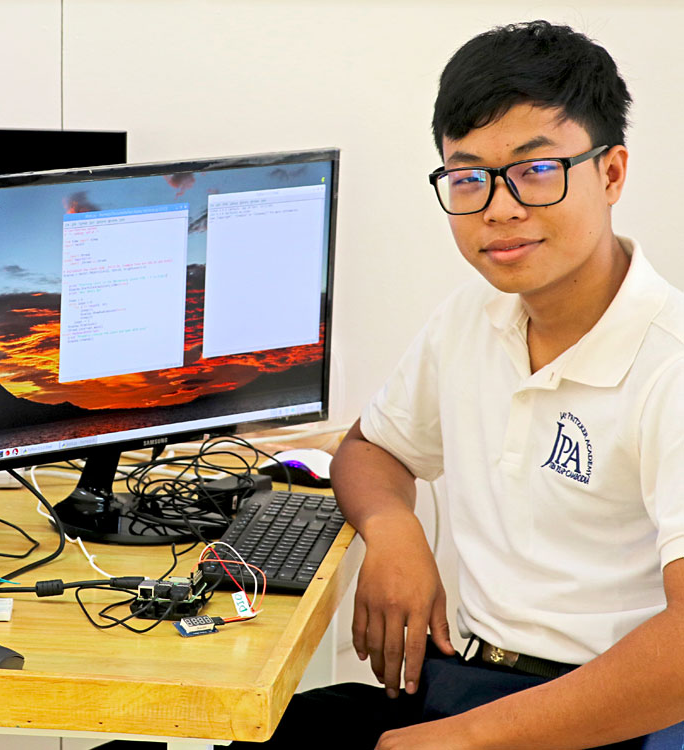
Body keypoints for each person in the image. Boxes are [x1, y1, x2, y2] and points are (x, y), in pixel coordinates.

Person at [230, 20, 684, 750]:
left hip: (602, 720)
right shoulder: (477, 314)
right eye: (469, 177)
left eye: (538, 170)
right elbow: (371, 449)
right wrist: (393, 530)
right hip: (466, 681)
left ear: (612, 174)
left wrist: (465, 741)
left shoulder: (670, 363)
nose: (500, 208)